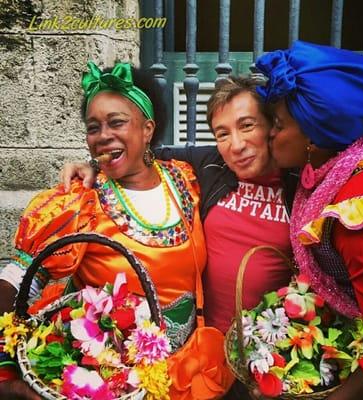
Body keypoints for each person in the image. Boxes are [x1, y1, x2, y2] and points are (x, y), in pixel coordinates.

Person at [0, 61, 235, 399]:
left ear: (148, 129)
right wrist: (5, 377)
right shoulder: (77, 200)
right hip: (115, 385)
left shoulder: (185, 179)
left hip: (188, 373)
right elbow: (16, 283)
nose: (103, 136)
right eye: (93, 127)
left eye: (117, 122)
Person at [61, 76, 297, 400]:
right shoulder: (209, 165)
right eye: (222, 133)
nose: (236, 144)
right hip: (205, 356)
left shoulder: (300, 187)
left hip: (269, 359)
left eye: (247, 126)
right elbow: (139, 153)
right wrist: (91, 165)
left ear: (271, 126)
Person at [255, 40, 363, 399]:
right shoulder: (353, 158)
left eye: (277, 124)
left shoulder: (357, 215)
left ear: (313, 137)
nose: (269, 134)